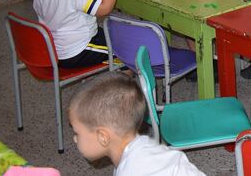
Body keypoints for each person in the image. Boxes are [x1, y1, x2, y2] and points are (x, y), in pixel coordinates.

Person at [68, 74, 205, 175]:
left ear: (103, 137)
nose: (74, 139)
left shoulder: (133, 170)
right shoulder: (141, 147)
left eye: (77, 133)